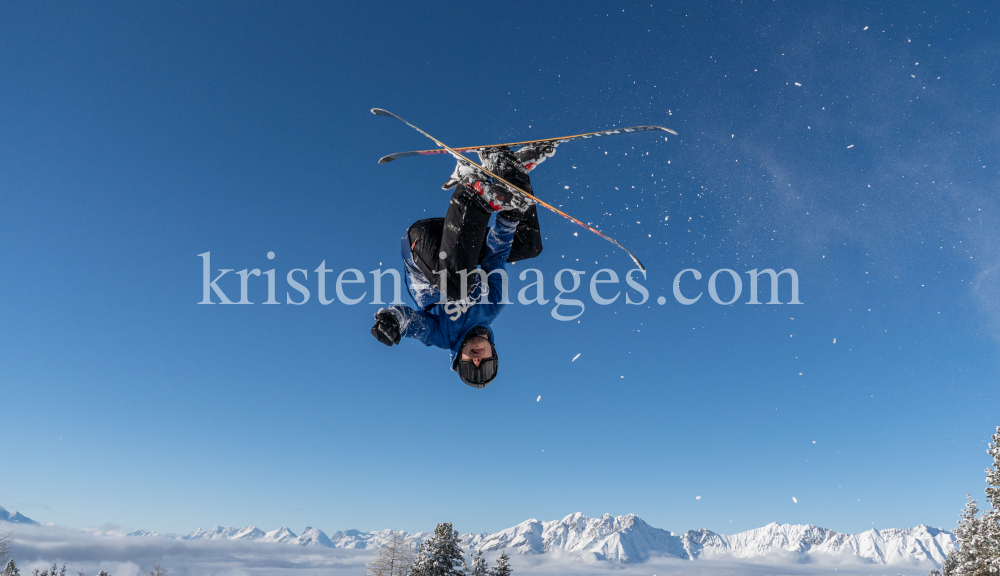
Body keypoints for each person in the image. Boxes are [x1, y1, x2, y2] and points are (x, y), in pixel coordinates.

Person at [370, 144, 557, 388]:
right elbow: (496, 254)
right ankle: (509, 170)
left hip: (421, 244)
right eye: (487, 364)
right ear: (493, 353)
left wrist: (392, 321)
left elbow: (410, 322)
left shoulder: (441, 335)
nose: (478, 360)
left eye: (470, 365)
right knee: (528, 245)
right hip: (459, 233)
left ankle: (470, 187)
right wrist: (508, 220)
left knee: (456, 286)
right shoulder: (493, 306)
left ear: (459, 357)